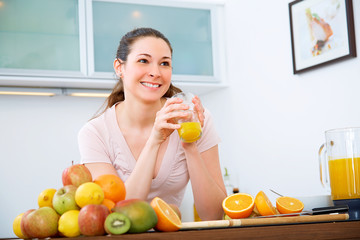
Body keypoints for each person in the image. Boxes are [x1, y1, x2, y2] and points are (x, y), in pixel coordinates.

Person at [78, 27, 226, 220]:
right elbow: (118, 215)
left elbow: (214, 215)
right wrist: (154, 140)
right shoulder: (95, 133)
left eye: (164, 63)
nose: (155, 72)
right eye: (143, 61)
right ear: (119, 67)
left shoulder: (194, 119)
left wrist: (190, 145)